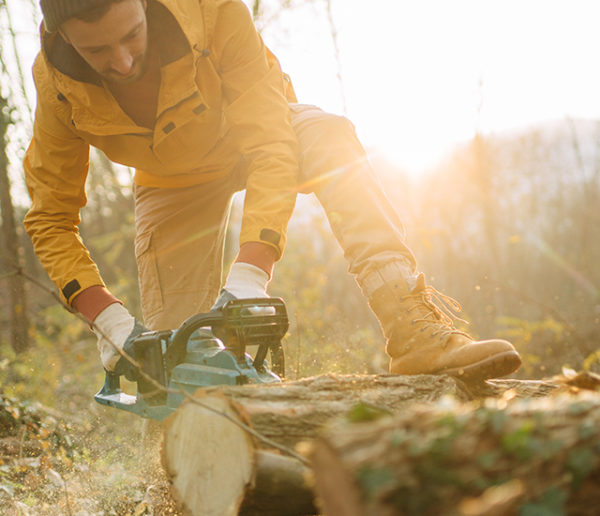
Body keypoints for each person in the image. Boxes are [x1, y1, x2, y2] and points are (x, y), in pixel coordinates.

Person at [25, 0, 521, 381]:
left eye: (133, 35)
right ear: (61, 35)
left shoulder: (211, 11)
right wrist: (102, 314)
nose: (124, 59)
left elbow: (269, 141)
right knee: (177, 365)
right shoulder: (55, 83)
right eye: (98, 52)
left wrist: (251, 271)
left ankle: (411, 327)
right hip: (171, 183)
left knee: (329, 135)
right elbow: (50, 214)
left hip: (257, 136)